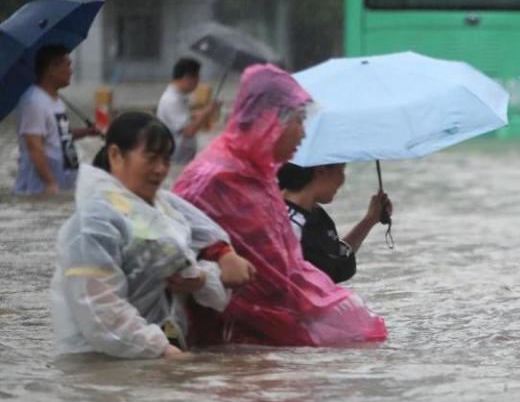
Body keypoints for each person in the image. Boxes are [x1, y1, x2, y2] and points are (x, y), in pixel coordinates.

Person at [173, 64, 388, 347]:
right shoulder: (216, 177)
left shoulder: (261, 179)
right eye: (298, 121)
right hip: (228, 338)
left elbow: (287, 266)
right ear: (271, 121)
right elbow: (177, 247)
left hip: (268, 333)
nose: (302, 134)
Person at [51, 112, 256, 360]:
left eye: (166, 160)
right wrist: (164, 351)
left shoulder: (164, 209)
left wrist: (202, 278)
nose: (160, 170)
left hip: (158, 353)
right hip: (105, 364)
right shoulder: (93, 223)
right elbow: (100, 313)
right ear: (116, 155)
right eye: (150, 158)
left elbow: (204, 243)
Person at [277, 162, 392, 283]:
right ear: (320, 171)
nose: (342, 180)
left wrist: (370, 219)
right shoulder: (286, 225)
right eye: (342, 170)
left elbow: (333, 260)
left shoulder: (316, 214)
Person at [14, 44, 99, 195]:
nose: (71, 71)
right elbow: (34, 146)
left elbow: (59, 135)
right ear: (52, 69)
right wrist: (50, 183)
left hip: (63, 178)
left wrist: (86, 132)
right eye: (67, 65)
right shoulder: (34, 101)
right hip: (39, 187)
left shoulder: (55, 100)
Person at [155, 57, 217, 165]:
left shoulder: (179, 97)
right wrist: (205, 113)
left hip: (183, 156)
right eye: (197, 78)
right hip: (176, 159)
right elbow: (188, 131)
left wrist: (196, 115)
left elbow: (181, 119)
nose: (197, 83)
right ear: (187, 77)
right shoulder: (172, 100)